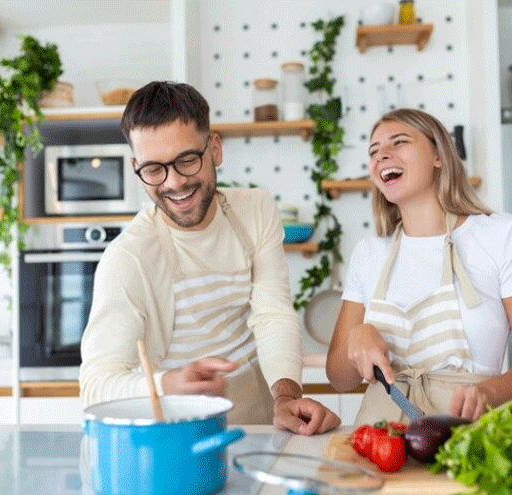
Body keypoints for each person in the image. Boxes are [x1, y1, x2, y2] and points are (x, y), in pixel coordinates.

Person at [79, 81, 340, 435]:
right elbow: (95, 386)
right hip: (179, 425)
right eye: (154, 169)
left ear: (214, 149)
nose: (174, 183)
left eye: (187, 160)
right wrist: (168, 383)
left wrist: (286, 396)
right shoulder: (128, 258)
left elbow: (272, 314)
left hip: (261, 411)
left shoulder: (255, 210)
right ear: (136, 167)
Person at [326, 108, 512, 423]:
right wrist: (357, 335)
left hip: (470, 437)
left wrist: (492, 391)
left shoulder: (502, 235)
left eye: (398, 142)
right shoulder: (369, 254)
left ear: (437, 156)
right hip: (381, 443)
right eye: (373, 151)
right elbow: (340, 380)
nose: (382, 155)